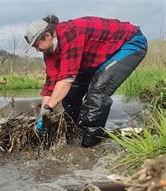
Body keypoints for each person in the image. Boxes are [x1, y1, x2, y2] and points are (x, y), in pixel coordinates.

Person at [24, 15, 148, 147]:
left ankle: (90, 146)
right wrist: (42, 116)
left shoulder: (69, 34)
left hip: (130, 43)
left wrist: (50, 108)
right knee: (70, 96)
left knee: (97, 93)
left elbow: (66, 79)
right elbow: (51, 86)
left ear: (47, 36)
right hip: (98, 57)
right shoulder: (49, 52)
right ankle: (80, 133)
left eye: (37, 45)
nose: (37, 49)